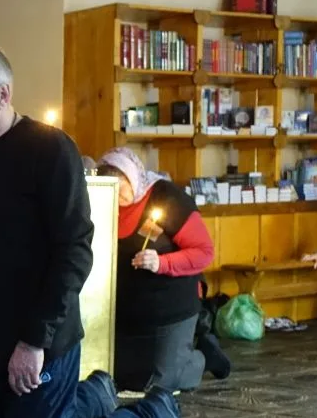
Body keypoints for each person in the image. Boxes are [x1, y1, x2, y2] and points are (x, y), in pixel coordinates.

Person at [0, 45, 195, 418]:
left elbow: (74, 251)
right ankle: (91, 397)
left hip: (39, 338)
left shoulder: (49, 150)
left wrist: (35, 340)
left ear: (2, 94)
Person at [97, 147, 230, 391]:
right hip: (128, 308)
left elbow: (204, 252)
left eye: (121, 190)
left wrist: (161, 263)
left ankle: (202, 358)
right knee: (123, 379)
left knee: (161, 383)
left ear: (132, 178)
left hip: (171, 304)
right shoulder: (100, 201)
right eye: (111, 190)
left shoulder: (167, 198)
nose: (117, 199)